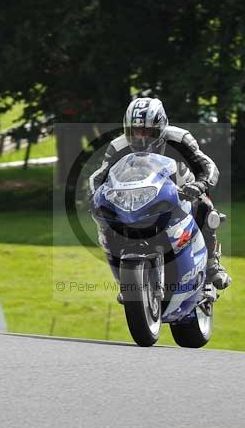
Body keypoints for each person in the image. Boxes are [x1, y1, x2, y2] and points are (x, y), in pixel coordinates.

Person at [88, 97, 231, 290]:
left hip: (180, 189)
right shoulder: (117, 146)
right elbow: (99, 176)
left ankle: (212, 265)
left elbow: (208, 166)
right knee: (106, 221)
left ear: (162, 127)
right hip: (135, 196)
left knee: (205, 206)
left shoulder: (180, 139)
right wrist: (94, 196)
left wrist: (200, 185)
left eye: (148, 132)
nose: (141, 138)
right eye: (134, 132)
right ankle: (123, 276)